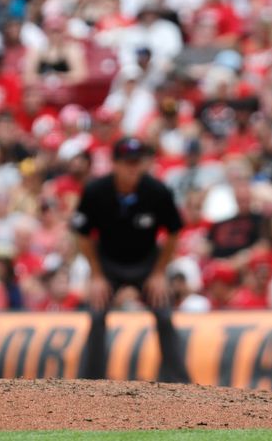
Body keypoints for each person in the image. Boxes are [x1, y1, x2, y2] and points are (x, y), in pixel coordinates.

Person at [71, 137, 190, 382]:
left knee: (164, 314)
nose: (133, 168)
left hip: (147, 262)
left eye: (137, 162)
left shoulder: (157, 191)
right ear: (115, 164)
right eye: (128, 163)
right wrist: (96, 274)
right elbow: (81, 233)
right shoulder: (96, 191)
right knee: (95, 313)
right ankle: (89, 382)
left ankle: (179, 382)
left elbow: (174, 231)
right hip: (108, 263)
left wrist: (159, 273)